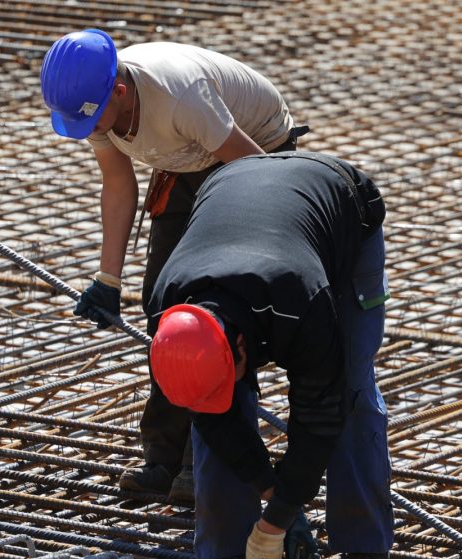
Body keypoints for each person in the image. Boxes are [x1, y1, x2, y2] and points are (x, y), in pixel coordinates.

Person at [40, 29, 308, 504]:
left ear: (119, 92)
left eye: (91, 118)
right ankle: (162, 458)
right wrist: (108, 278)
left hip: (253, 156)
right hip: (186, 159)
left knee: (222, 311)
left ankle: (205, 460)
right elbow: (118, 186)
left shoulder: (180, 97)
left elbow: (255, 173)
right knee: (164, 306)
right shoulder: (97, 105)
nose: (89, 130)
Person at [146, 151, 392, 559]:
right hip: (235, 193)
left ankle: (365, 549)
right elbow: (212, 417)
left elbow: (320, 414)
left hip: (340, 205)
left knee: (352, 391)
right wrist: (271, 490)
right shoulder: (165, 308)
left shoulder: (301, 299)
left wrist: (278, 517)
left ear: (241, 348)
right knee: (216, 412)